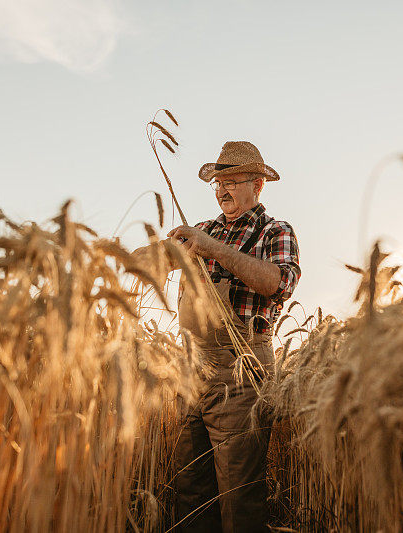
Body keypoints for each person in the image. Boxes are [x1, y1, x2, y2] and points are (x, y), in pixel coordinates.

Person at [136, 141, 301, 532]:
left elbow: (276, 283)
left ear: (258, 184)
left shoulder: (274, 231)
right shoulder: (201, 231)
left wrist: (215, 249)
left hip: (242, 377)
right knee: (191, 492)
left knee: (238, 496)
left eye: (231, 181)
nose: (221, 190)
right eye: (217, 183)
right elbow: (152, 259)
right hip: (193, 374)